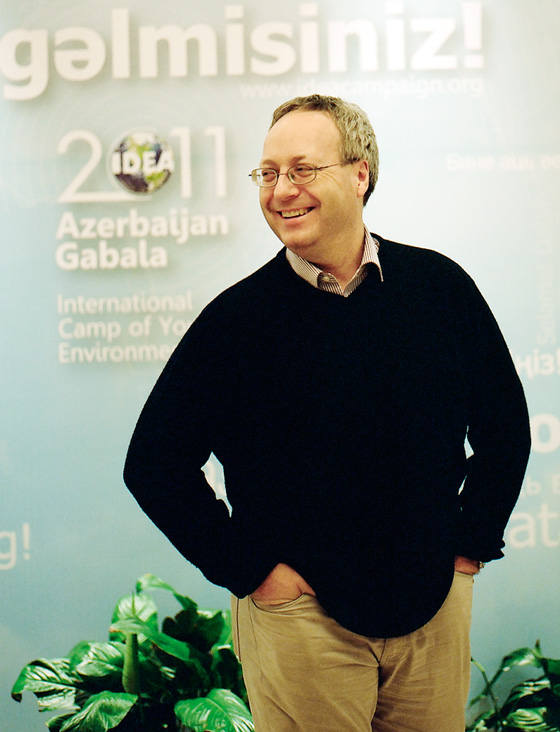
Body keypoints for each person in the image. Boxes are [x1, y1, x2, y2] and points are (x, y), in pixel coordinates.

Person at [124, 94, 531, 732]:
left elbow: (505, 429)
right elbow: (153, 464)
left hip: (432, 611)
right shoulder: (235, 322)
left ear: (359, 173)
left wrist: (470, 546)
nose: (281, 190)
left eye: (302, 169)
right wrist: (251, 572)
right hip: (300, 622)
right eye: (268, 173)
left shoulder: (440, 288)